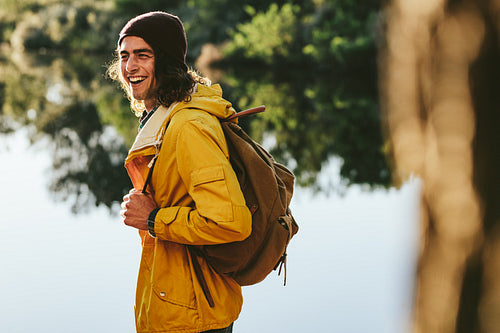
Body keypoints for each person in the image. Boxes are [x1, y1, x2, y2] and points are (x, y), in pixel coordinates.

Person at [109, 11, 252, 333]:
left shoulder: (188, 126)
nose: (130, 66)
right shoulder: (164, 118)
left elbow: (230, 222)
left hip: (195, 317)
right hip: (179, 305)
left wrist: (153, 219)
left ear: (168, 61)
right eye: (124, 56)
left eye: (142, 55)